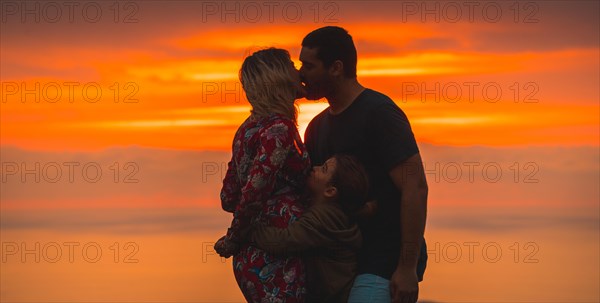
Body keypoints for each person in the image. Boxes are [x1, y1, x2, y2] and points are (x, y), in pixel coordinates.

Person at [299, 26, 429, 303]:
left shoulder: (379, 113)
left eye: (308, 66)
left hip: (385, 259)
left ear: (336, 68)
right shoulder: (316, 127)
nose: (301, 74)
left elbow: (415, 187)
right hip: (342, 260)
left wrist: (406, 268)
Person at [214, 47, 310, 303]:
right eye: (291, 65)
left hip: (252, 256)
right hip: (275, 257)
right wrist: (233, 239)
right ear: (279, 77)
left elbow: (228, 197)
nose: (298, 71)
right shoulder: (278, 129)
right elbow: (253, 191)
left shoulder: (248, 128)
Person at [249, 154, 369, 303]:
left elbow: (284, 241)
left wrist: (249, 230)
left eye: (323, 169)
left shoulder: (324, 218)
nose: (315, 168)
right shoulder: (332, 211)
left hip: (333, 297)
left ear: (330, 191)